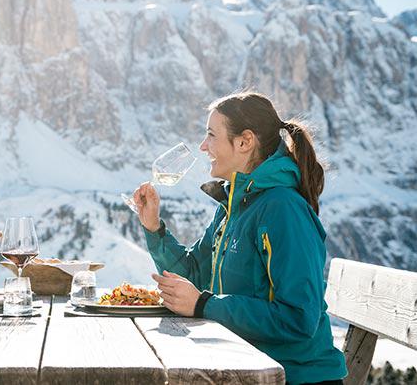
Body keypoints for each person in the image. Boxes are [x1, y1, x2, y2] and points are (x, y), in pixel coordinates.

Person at [134, 92, 346, 384]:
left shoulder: (282, 209)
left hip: (294, 376)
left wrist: (205, 305)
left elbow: (299, 318)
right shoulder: (233, 207)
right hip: (246, 368)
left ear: (245, 142)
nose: (202, 146)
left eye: (211, 135)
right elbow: (193, 275)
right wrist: (154, 227)